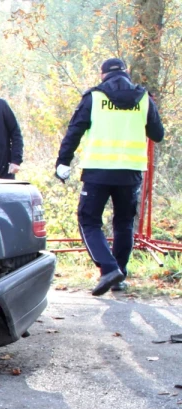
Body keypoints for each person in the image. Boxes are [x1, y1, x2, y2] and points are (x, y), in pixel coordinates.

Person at [55, 58, 165, 295]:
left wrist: (63, 161)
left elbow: (75, 131)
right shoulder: (143, 98)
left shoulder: (94, 97)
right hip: (131, 171)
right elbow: (158, 134)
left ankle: (108, 269)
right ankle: (119, 276)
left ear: (102, 74)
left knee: (88, 220)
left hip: (98, 170)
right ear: (126, 73)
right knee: (124, 223)